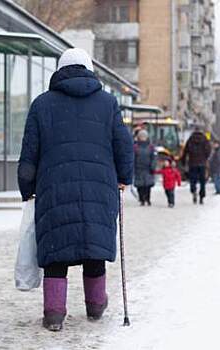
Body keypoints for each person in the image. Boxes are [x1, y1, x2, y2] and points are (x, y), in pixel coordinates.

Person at [17, 48, 133, 332]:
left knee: (57, 250)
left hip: (53, 188)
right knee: (93, 246)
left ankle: (54, 314)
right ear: (89, 69)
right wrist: (124, 177)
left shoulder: (41, 105)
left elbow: (29, 152)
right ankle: (95, 306)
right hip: (99, 186)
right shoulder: (108, 103)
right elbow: (124, 144)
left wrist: (27, 187)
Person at [181, 126, 211, 204]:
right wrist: (205, 158)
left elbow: (185, 151)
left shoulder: (190, 139)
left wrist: (183, 162)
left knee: (193, 179)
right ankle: (201, 196)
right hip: (202, 163)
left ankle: (193, 190)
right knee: (202, 181)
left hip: (192, 163)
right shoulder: (205, 139)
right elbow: (208, 150)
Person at [134, 129, 156, 206]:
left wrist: (153, 166)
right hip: (138, 169)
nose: (143, 138)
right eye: (141, 136)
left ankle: (147, 199)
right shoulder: (135, 147)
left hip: (148, 169)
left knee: (148, 185)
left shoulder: (150, 147)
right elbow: (133, 158)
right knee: (139, 186)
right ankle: (142, 199)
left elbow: (153, 158)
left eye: (144, 136)